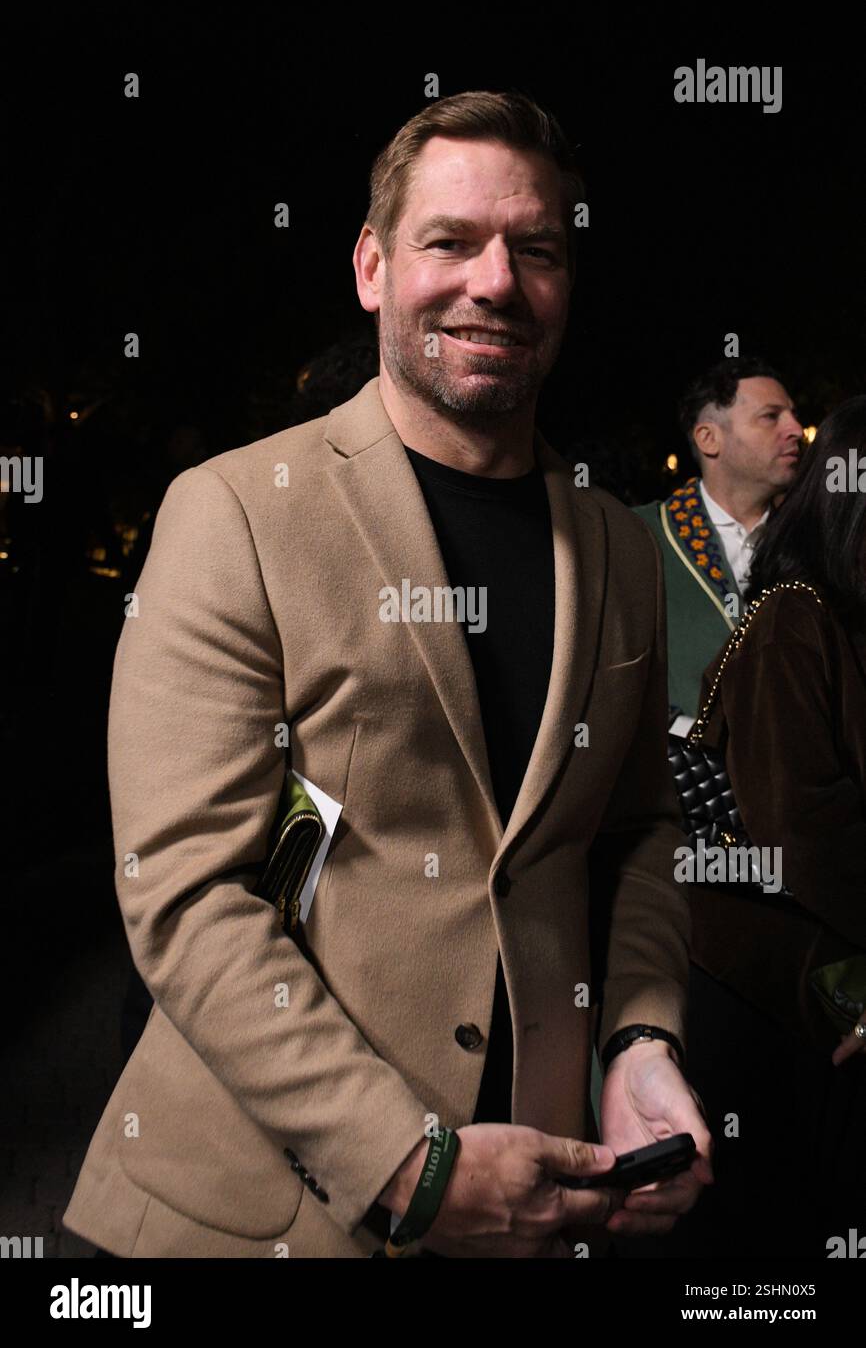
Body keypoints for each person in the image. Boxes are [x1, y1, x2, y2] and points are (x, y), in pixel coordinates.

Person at [63, 89, 710, 1259]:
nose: (496, 282)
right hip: (256, 1218)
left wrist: (638, 1040)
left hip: (542, 1197)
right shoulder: (230, 513)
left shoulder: (613, 539)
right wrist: (407, 1166)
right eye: (449, 242)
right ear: (370, 266)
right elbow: (188, 892)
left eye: (536, 250)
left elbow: (636, 834)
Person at [678, 396, 866, 1257]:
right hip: (773, 998)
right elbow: (801, 825)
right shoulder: (797, 618)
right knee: (766, 1259)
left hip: (811, 986)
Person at [633, 358, 803, 731]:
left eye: (793, 415)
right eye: (771, 417)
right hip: (686, 779)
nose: (795, 430)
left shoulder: (811, 541)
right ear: (709, 438)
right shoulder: (642, 535)